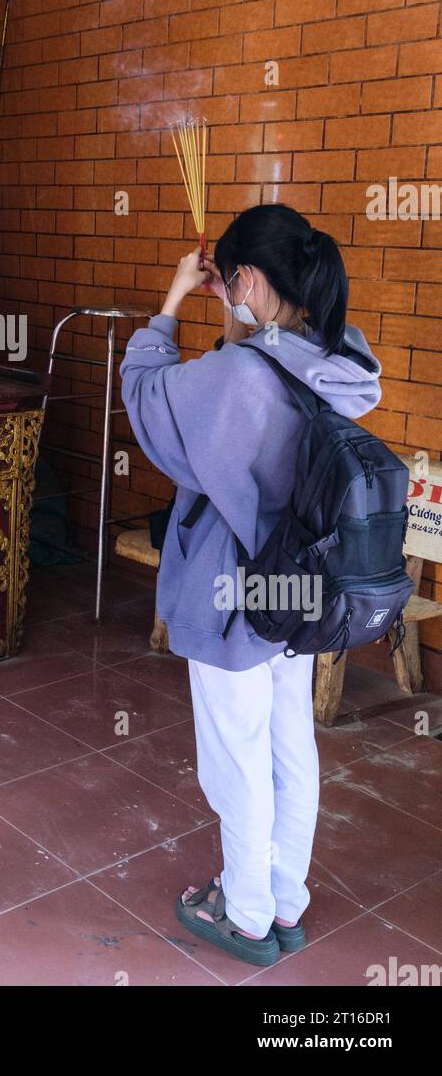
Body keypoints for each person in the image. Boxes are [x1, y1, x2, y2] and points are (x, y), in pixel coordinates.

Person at [119, 202, 382, 967]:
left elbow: (147, 397)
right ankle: (284, 901)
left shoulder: (236, 377)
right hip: (303, 581)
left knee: (235, 757)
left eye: (231, 283)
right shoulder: (340, 357)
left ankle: (244, 915)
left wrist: (169, 304)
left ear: (246, 280)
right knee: (286, 743)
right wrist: (244, 323)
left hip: (235, 590)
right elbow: (263, 370)